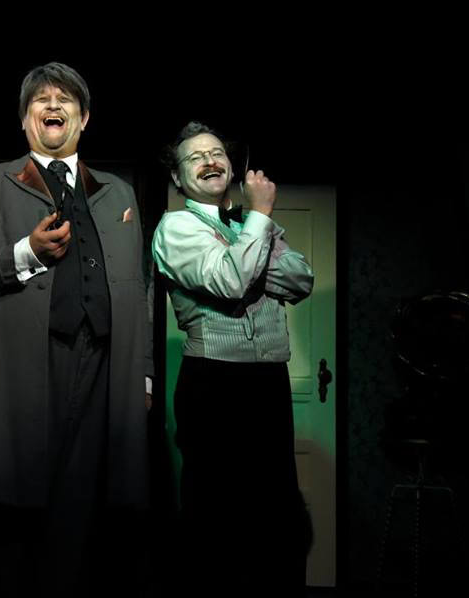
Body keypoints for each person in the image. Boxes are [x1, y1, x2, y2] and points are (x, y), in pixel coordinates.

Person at [0, 62, 151, 595]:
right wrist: (25, 252)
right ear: (24, 119)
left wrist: (144, 372)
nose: (53, 105)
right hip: (28, 360)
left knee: (88, 500)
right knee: (18, 502)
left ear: (84, 118)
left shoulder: (120, 193)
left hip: (106, 362)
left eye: (65, 99)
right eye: (41, 99)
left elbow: (138, 286)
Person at [152, 121, 314, 594]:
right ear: (178, 178)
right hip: (213, 382)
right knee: (216, 515)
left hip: (269, 381)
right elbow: (229, 281)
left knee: (277, 513)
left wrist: (248, 239)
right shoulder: (176, 227)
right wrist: (260, 219)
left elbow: (300, 279)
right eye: (195, 157)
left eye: (217, 153)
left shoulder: (248, 223)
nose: (209, 161)